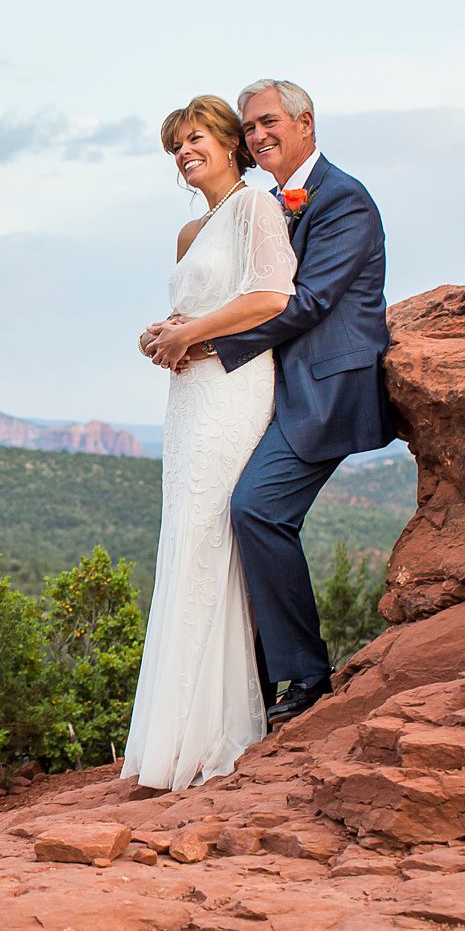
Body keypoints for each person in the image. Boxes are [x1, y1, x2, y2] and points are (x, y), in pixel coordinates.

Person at [144, 79, 394, 730]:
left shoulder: (342, 201)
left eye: (268, 122)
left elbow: (302, 302)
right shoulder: (267, 204)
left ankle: (305, 676)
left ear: (306, 123)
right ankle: (240, 687)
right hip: (262, 388)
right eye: (251, 125)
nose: (259, 134)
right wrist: (177, 328)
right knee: (231, 521)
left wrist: (202, 341)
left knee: (255, 509)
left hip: (325, 391)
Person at [119, 95, 296, 790]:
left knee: (213, 537)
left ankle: (214, 729)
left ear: (229, 143)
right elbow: (186, 315)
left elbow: (272, 298)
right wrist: (161, 335)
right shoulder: (191, 233)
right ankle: (174, 728)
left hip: (232, 389)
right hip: (187, 397)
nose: (183, 152)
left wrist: (190, 335)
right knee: (184, 539)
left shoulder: (256, 208)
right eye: (175, 146)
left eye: (194, 138)